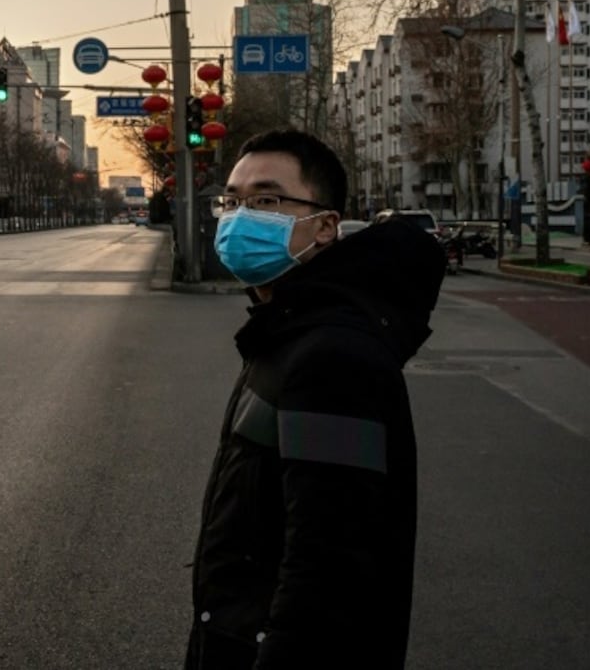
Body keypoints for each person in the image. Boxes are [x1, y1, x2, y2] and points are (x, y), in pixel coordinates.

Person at [185, 129, 446, 669]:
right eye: (231, 200)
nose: (238, 217)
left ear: (325, 227)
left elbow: (328, 568)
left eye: (267, 200)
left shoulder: (331, 358)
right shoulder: (285, 331)